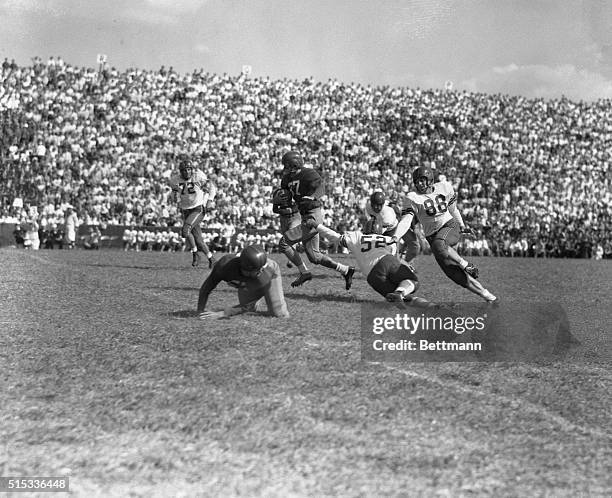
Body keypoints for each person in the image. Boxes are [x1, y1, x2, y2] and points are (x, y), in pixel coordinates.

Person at [393, 166, 497, 303]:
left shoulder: (444, 187)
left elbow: (453, 210)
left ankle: (466, 264)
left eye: (422, 180)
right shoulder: (412, 198)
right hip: (433, 237)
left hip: (450, 226)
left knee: (439, 244)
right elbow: (406, 221)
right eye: (416, 181)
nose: (419, 184)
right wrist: (395, 237)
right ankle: (489, 296)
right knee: (454, 274)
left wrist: (462, 226)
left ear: (430, 180)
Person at [305, 218, 436, 307]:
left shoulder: (357, 236)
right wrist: (407, 267)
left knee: (398, 301)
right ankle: (409, 297)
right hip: (386, 261)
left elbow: (334, 236)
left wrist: (317, 225)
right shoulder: (387, 238)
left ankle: (428, 306)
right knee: (412, 282)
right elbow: (395, 258)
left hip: (372, 276)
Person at [276, 151, 355, 290]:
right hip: (304, 215)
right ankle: (346, 270)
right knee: (315, 257)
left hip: (313, 215)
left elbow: (320, 187)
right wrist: (279, 201)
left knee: (284, 243)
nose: (285, 169)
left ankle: (304, 272)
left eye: (287, 166)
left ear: (294, 165)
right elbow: (285, 195)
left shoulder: (308, 173)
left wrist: (313, 196)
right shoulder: (287, 179)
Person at [197, 244, 289, 319]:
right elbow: (207, 287)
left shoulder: (263, 275)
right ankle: (253, 304)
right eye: (258, 270)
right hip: (246, 279)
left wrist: (223, 313)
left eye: (261, 268)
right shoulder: (224, 266)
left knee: (279, 314)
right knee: (249, 310)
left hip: (271, 272)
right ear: (246, 269)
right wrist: (200, 311)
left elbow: (247, 306)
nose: (261, 271)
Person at [169, 156, 215, 268]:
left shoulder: (198, 176)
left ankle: (195, 254)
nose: (186, 172)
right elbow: (174, 193)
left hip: (198, 209)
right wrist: (174, 197)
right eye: (184, 170)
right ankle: (211, 259)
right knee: (199, 240)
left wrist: (209, 201)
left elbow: (212, 188)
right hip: (186, 210)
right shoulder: (175, 180)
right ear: (180, 171)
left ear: (192, 169)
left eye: (189, 169)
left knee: (185, 230)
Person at [366, 191, 420, 266]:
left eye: (378, 205)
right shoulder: (368, 206)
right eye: (374, 204)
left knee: (414, 246)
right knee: (392, 255)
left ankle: (406, 264)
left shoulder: (388, 214)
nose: (375, 207)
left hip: (394, 227)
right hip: (387, 227)